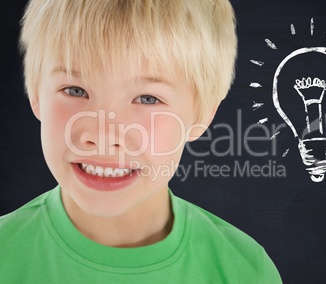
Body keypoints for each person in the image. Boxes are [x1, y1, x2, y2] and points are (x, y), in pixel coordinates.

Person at [0, 0, 282, 283]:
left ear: (201, 116)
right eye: (74, 90)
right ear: (36, 95)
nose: (103, 136)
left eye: (148, 98)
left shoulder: (245, 271)